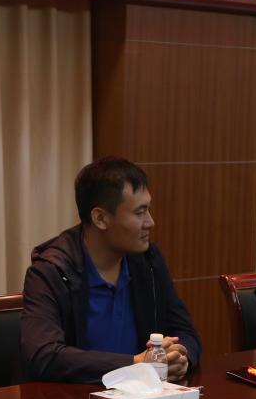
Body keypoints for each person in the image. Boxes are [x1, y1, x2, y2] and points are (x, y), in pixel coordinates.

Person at [22, 157, 202, 384]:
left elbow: (185, 332)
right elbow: (44, 356)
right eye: (140, 212)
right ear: (100, 218)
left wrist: (179, 358)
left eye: (148, 209)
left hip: (141, 398)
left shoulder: (148, 261)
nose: (150, 222)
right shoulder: (52, 271)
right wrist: (135, 365)